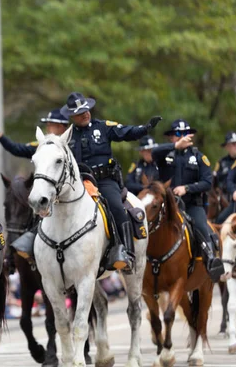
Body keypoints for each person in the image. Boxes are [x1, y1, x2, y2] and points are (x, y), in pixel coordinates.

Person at [60, 92, 162, 273]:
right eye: (80, 112)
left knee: (116, 208)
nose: (85, 114)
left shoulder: (103, 127)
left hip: (105, 181)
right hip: (80, 183)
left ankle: (127, 253)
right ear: (72, 117)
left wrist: (146, 128)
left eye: (86, 110)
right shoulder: (66, 137)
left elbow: (126, 132)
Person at [152, 119, 224, 282]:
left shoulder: (199, 157)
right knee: (149, 224)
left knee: (202, 228)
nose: (182, 137)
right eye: (178, 134)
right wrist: (175, 147)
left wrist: (187, 188)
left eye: (185, 133)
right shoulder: (165, 155)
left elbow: (207, 183)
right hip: (167, 206)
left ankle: (211, 262)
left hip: (191, 204)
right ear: (171, 137)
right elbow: (154, 152)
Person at [0, 108, 69, 159]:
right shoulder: (42, 146)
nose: (47, 128)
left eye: (50, 125)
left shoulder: (71, 145)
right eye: (47, 125)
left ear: (60, 127)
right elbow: (16, 149)